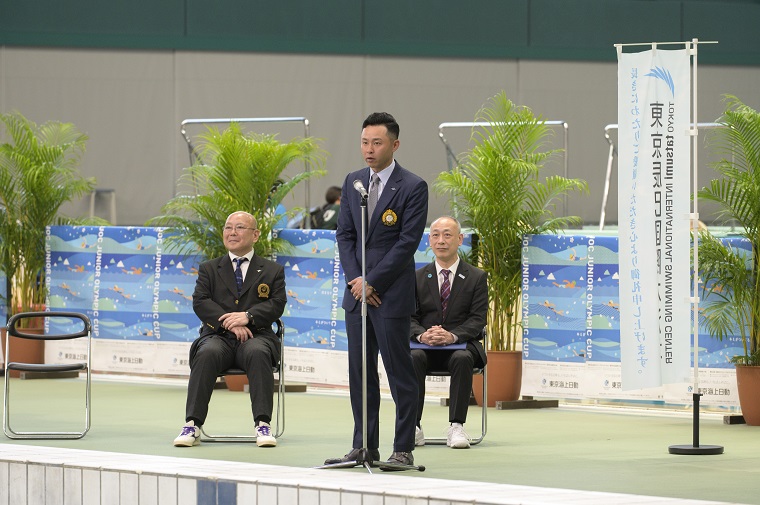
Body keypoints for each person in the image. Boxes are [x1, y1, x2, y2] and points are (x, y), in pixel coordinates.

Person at [325, 112, 428, 470]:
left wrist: (373, 282)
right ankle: (363, 445)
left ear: (394, 145)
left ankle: (403, 448)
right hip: (358, 297)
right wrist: (357, 282)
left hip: (389, 296)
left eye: (377, 142)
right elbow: (345, 235)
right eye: (365, 142)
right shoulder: (354, 182)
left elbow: (407, 243)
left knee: (400, 372)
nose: (369, 149)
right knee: (361, 372)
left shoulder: (413, 186)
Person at [173, 211, 287, 448]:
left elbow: (277, 304)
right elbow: (201, 302)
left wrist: (248, 317)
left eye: (239, 228)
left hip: (257, 335)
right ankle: (192, 425)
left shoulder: (272, 270)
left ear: (255, 235)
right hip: (218, 336)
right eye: (228, 228)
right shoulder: (209, 269)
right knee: (206, 353)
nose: (232, 232)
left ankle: (263, 424)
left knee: (257, 352)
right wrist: (231, 324)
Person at [410, 216, 487, 449]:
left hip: (462, 345)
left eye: (447, 235)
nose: (441, 240)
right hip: (425, 346)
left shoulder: (476, 277)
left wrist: (452, 336)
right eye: (435, 235)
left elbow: (478, 319)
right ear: (429, 241)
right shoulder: (416, 277)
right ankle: (413, 426)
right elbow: (408, 317)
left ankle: (456, 426)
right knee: (412, 357)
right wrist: (422, 335)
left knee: (462, 359)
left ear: (460, 239)